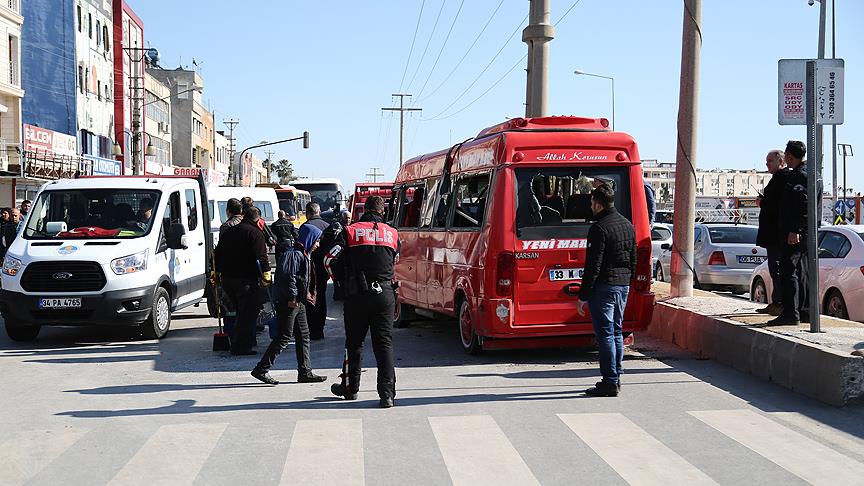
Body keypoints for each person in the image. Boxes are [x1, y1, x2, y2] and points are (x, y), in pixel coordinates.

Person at [325, 196, 400, 408]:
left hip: (356, 294)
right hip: (385, 293)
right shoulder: (393, 233)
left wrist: (340, 281)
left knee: (354, 343)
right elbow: (395, 259)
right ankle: (387, 395)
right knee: (384, 344)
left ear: (364, 210)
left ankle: (350, 388)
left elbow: (328, 259)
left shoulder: (350, 231)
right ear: (382, 212)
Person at [576, 184, 636, 397]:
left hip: (604, 287)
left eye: (592, 203)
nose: (590, 206)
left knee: (605, 335)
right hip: (622, 286)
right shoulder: (627, 225)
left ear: (598, 204)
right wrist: (628, 282)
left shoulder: (599, 229)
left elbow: (593, 266)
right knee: (617, 331)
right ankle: (616, 375)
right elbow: (633, 259)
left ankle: (609, 381)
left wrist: (583, 295)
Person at [251, 224, 328, 385]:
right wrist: (292, 297)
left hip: (298, 301)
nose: (318, 244)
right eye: (317, 241)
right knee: (284, 336)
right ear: (309, 239)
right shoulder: (294, 254)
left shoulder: (303, 254)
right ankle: (261, 369)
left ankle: (305, 372)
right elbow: (288, 277)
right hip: (290, 302)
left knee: (303, 335)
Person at [215, 206, 271, 355]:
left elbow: (217, 253)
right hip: (245, 280)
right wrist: (266, 275)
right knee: (248, 314)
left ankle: (240, 342)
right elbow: (262, 257)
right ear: (257, 219)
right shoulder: (255, 233)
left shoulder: (229, 232)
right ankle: (242, 346)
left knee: (238, 312)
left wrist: (216, 272)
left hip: (227, 279)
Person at [768, 141, 811, 326]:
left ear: (789, 156)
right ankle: (804, 312)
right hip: (805, 232)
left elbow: (803, 205)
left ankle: (791, 313)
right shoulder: (812, 173)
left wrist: (795, 230)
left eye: (786, 155)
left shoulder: (799, 176)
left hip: (796, 233)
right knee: (802, 272)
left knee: (788, 271)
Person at [756, 149, 788, 316]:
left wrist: (763, 203)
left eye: (770, 161)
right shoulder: (777, 179)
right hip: (773, 234)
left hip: (777, 234)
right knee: (774, 270)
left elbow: (776, 206)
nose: (767, 164)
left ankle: (779, 303)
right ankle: (776, 302)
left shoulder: (783, 179)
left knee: (777, 270)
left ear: (781, 162)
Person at [302, 202, 330, 339]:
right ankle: (319, 329)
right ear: (319, 212)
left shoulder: (305, 227)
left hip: (308, 269)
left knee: (309, 298)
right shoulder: (328, 226)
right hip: (323, 268)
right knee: (321, 298)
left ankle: (311, 328)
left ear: (308, 213)